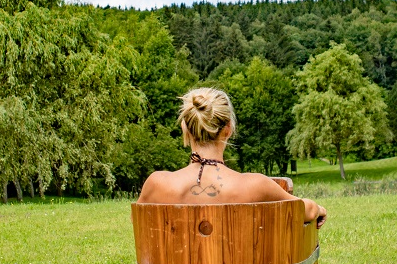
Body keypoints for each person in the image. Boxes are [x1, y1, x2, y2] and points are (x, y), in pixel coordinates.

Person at [138, 87, 327, 226]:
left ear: (185, 128)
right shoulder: (255, 186)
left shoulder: (156, 184)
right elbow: (303, 210)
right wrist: (318, 209)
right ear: (228, 129)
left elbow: (137, 221)